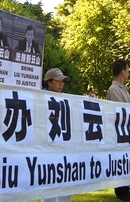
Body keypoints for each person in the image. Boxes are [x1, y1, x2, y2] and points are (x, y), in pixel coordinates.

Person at [106, 59, 130, 201]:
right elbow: (121, 110)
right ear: (122, 71)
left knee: (126, 160)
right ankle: (120, 191)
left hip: (127, 132)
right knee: (120, 160)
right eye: (127, 69)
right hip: (119, 132)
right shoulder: (114, 90)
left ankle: (126, 189)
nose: (129, 72)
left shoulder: (123, 89)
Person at [43, 68, 71, 202]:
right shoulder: (39, 97)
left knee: (66, 180)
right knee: (49, 181)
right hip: (47, 147)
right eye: (58, 81)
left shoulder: (65, 99)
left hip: (62, 147)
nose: (61, 84)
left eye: (63, 81)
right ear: (49, 82)